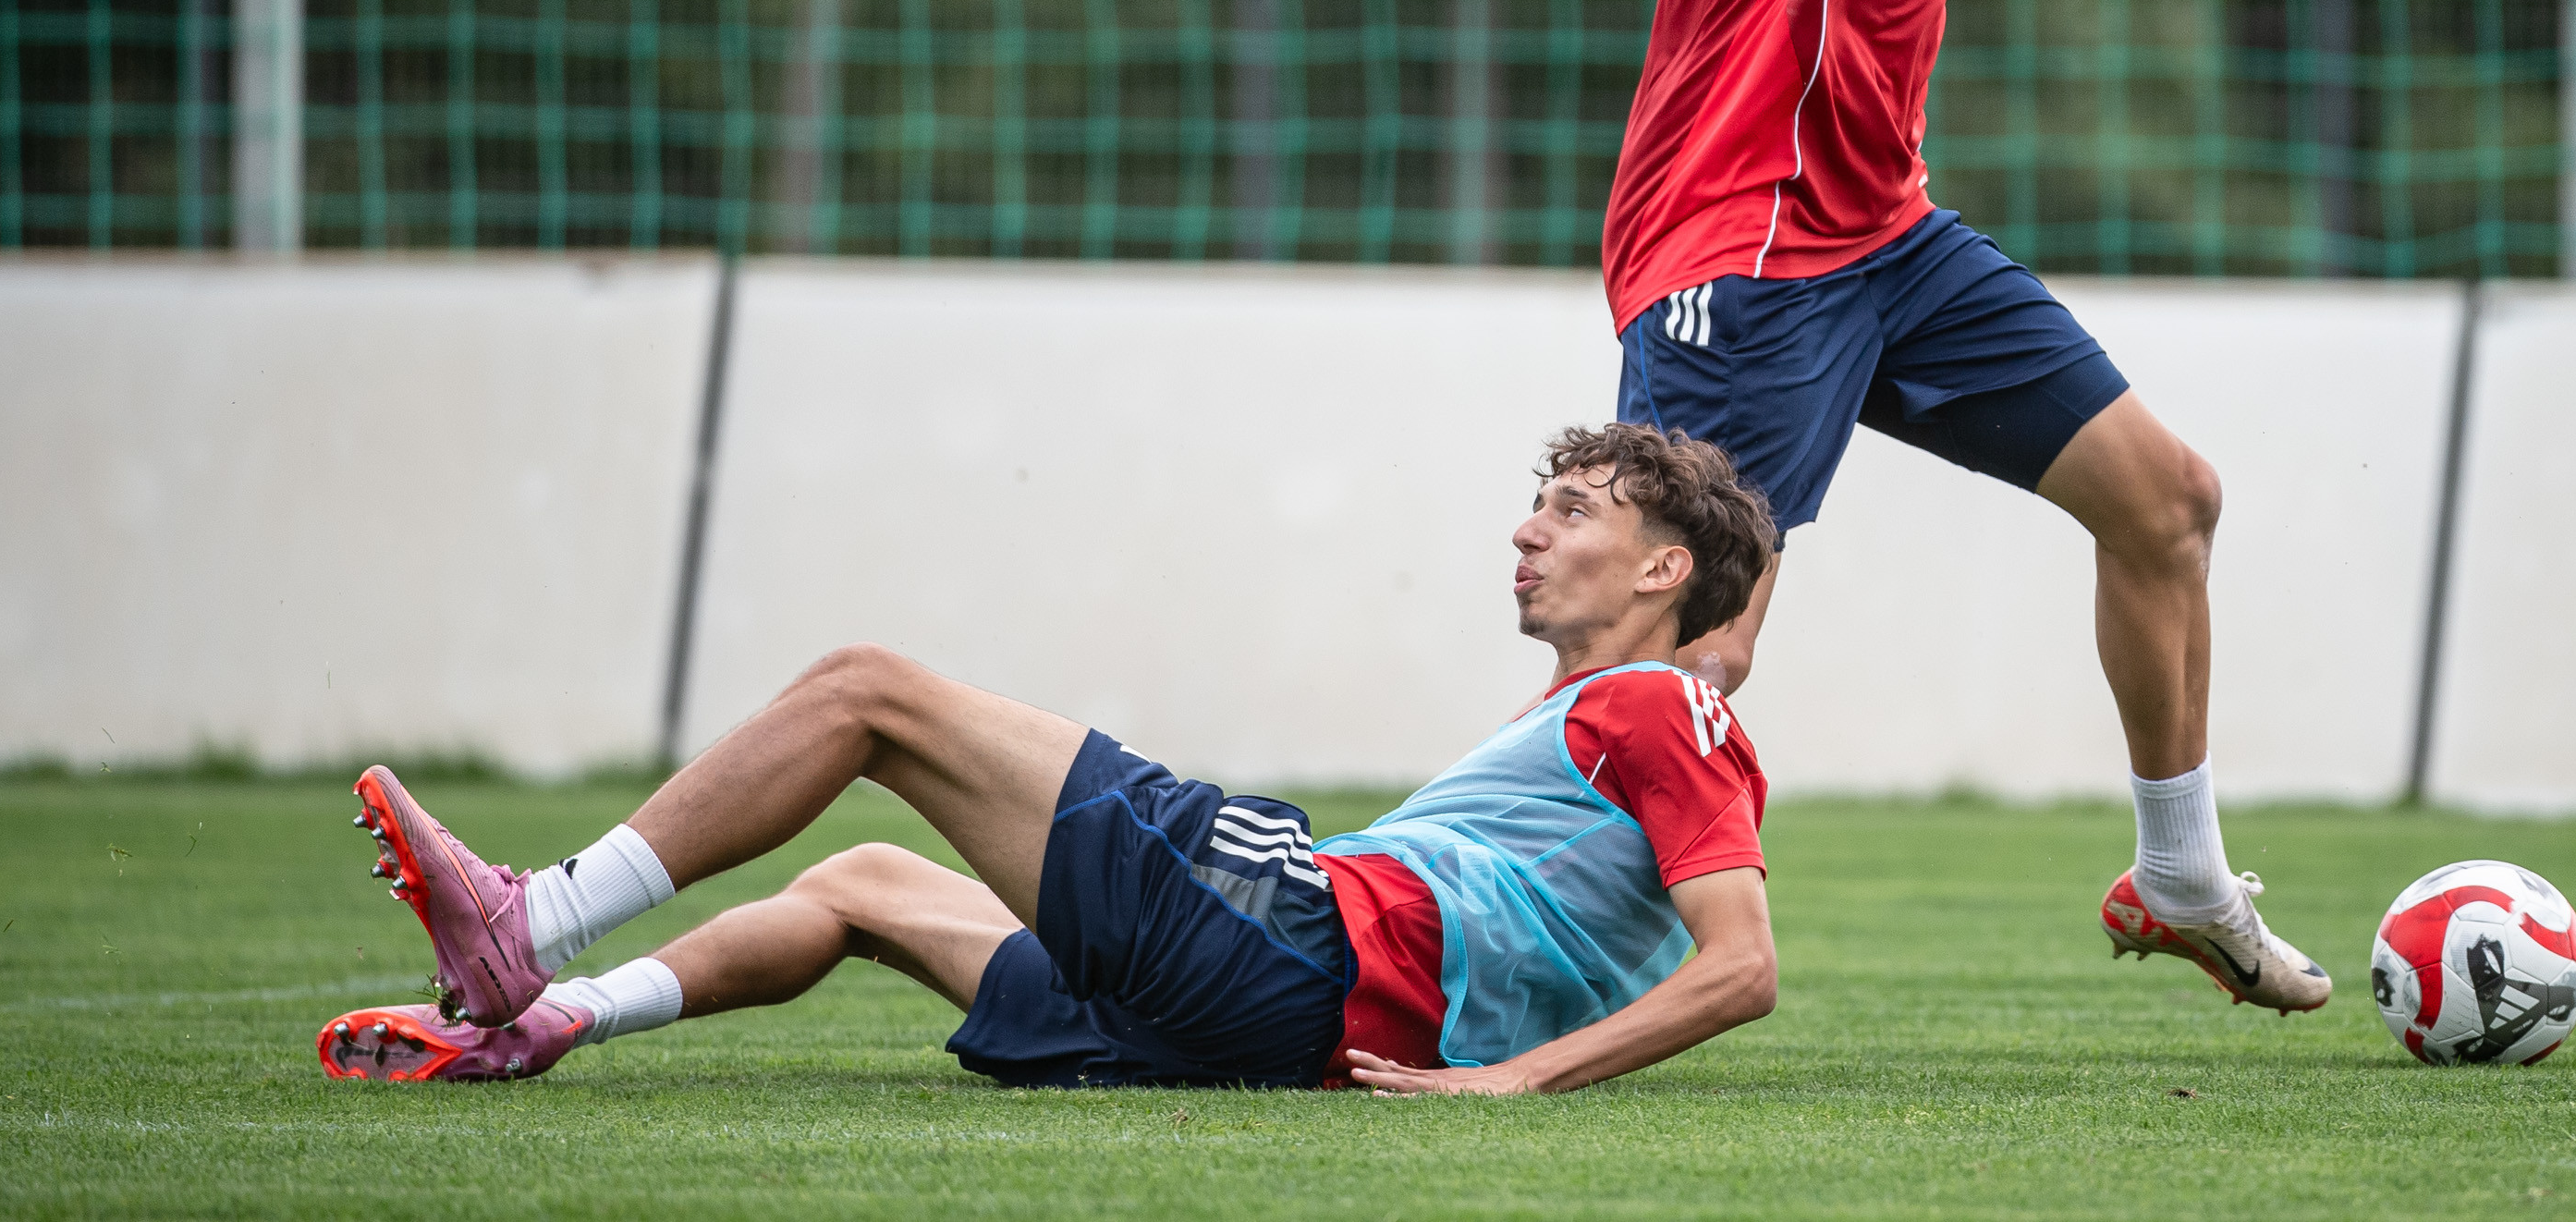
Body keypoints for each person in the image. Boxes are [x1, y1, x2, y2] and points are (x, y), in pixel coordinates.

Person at [1601, 0, 2327, 1013]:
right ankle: (1457, 939)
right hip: (1747, 241)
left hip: (1884, 236)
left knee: (2169, 501)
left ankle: (2181, 874)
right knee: (1696, 651)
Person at [316, 424, 1779, 1093]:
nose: (1530, 525)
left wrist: (1519, 1083)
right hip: (1285, 1031)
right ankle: (550, 1017)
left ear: (1663, 568)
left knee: (866, 692)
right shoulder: (1594, 712)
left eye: (1574, 509)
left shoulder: (1665, 705)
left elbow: (1742, 965)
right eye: (1539, 500)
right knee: (864, 880)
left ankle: (532, 921)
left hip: (1289, 936)